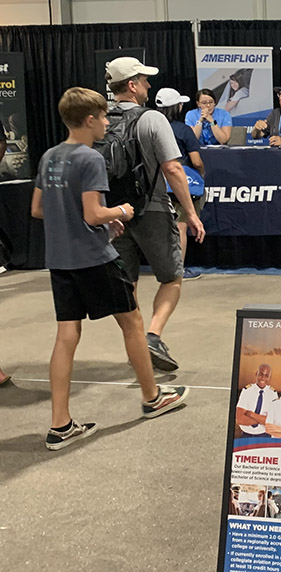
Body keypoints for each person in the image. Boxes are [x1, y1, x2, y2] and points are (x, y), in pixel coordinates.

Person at [29, 87, 189, 451]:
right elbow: (93, 213)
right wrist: (120, 213)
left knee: (66, 335)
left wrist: (94, 221)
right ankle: (152, 398)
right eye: (102, 117)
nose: (107, 122)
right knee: (132, 323)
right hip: (94, 258)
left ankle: (60, 424)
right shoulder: (90, 160)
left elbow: (39, 209)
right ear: (88, 120)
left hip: (60, 260)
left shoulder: (50, 156)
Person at [105, 57, 206, 372]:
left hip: (113, 215)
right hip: (154, 209)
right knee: (172, 277)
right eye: (144, 80)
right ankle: (152, 336)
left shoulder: (98, 120)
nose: (149, 85)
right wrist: (191, 213)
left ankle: (134, 346)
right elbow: (173, 168)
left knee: (127, 283)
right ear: (132, 86)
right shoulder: (152, 119)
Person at [155, 87, 206, 281]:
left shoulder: (150, 126)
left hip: (155, 183)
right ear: (176, 106)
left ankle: (163, 267)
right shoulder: (183, 130)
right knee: (181, 226)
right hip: (178, 183)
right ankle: (179, 271)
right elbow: (196, 161)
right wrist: (200, 174)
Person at [235, 364, 281, 438]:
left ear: (269, 378)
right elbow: (240, 419)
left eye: (266, 375)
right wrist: (262, 419)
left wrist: (251, 414)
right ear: (256, 374)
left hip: (264, 436)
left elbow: (272, 422)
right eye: (261, 374)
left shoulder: (273, 394)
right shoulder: (247, 391)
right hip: (246, 435)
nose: (263, 378)